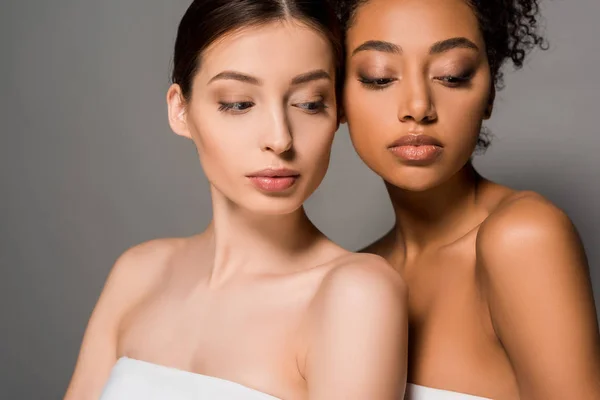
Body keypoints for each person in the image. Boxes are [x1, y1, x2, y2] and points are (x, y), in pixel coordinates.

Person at [63, 1, 408, 399]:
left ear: (338, 113)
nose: (280, 138)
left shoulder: (355, 294)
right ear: (180, 109)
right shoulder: (139, 273)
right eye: (239, 104)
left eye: (309, 103)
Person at [338, 0, 600, 398]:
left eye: (452, 75)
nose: (418, 107)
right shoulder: (353, 275)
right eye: (379, 77)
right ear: (336, 97)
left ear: (490, 92)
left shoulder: (523, 238)